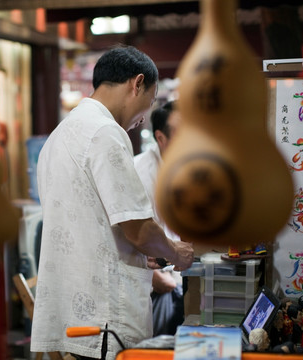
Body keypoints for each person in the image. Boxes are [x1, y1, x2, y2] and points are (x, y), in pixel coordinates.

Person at [30, 45, 194, 360]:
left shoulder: (60, 134)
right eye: (152, 98)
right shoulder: (106, 132)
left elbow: (98, 224)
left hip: (75, 312)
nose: (146, 114)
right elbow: (138, 229)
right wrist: (177, 253)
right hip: (104, 315)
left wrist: (147, 252)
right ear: (137, 84)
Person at [133, 100, 184, 336]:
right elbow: (133, 238)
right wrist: (160, 281)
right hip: (152, 286)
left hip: (177, 274)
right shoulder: (143, 174)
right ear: (160, 138)